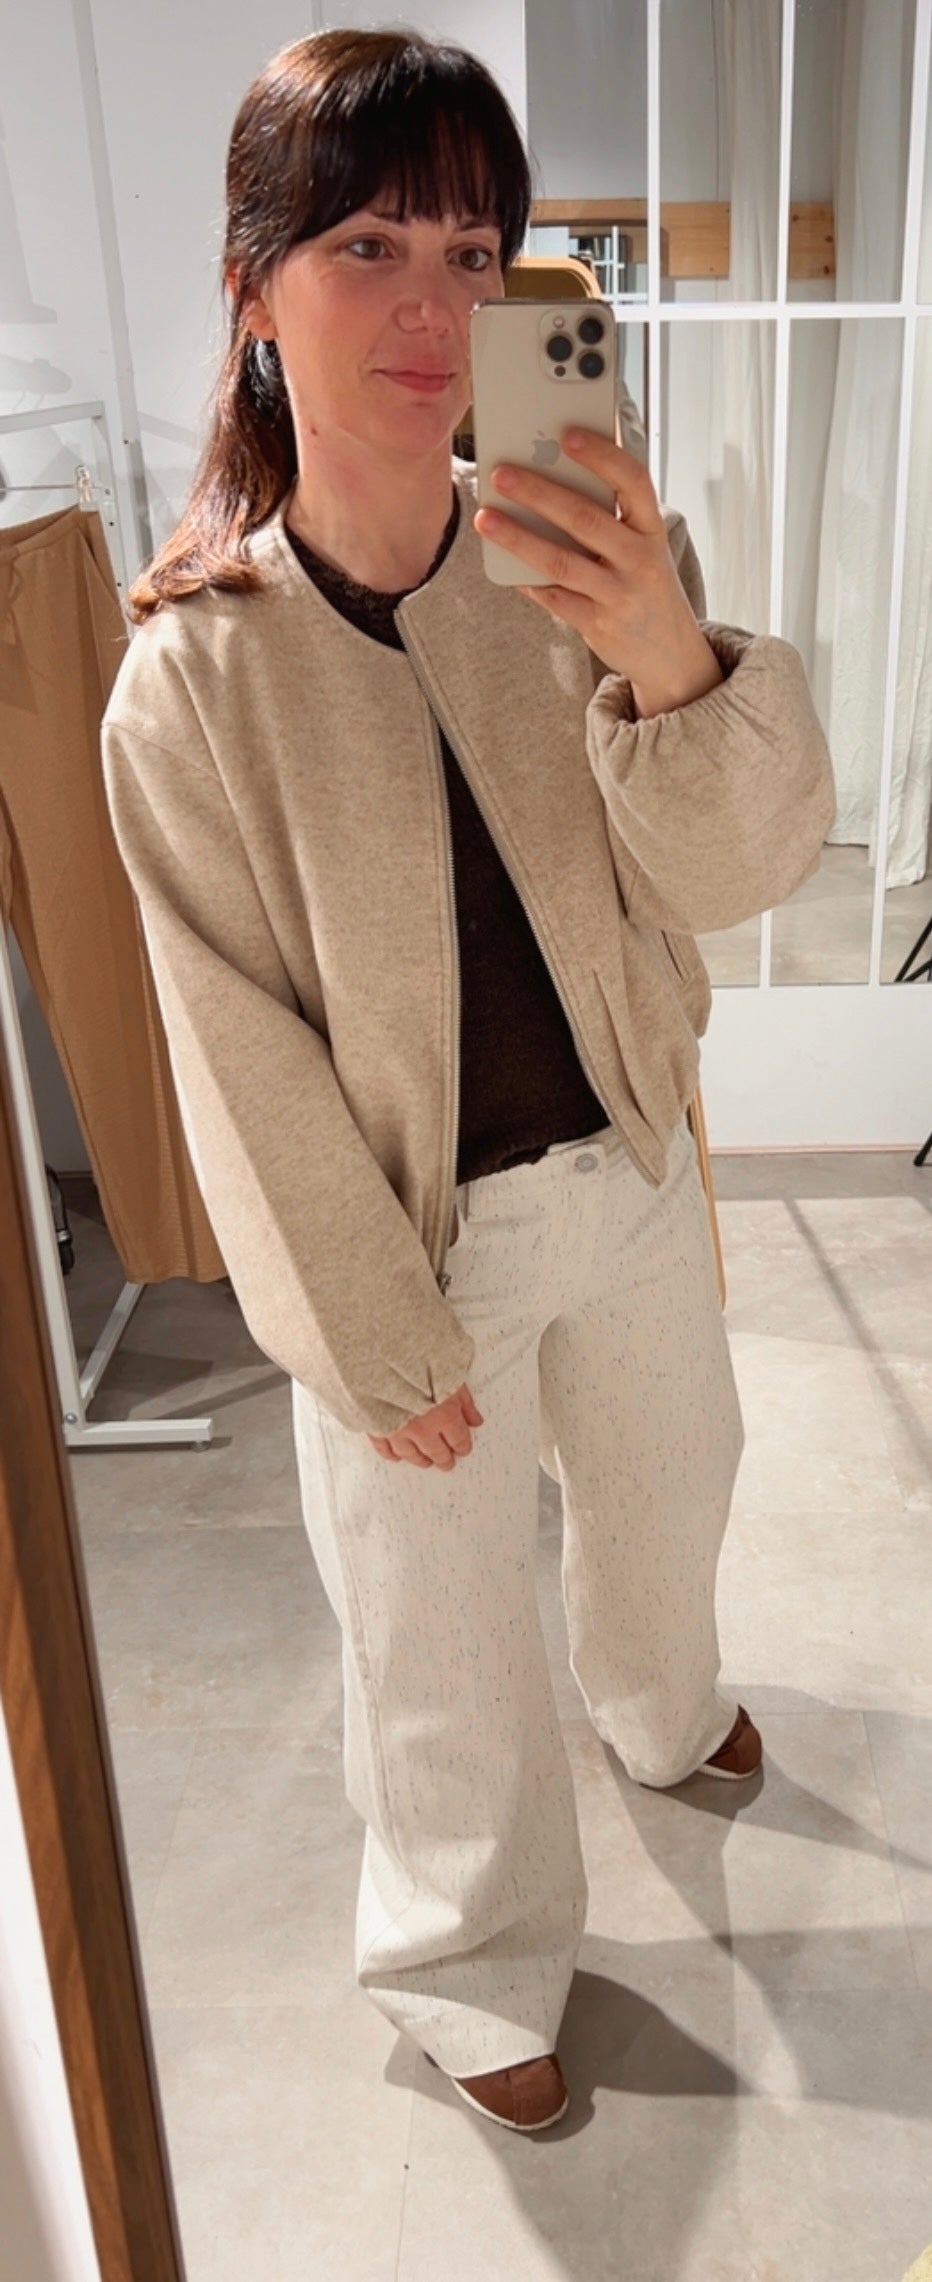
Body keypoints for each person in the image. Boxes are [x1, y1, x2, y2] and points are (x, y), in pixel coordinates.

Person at [101, 28, 835, 2135]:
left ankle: (660, 1704)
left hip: (627, 1160)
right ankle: (461, 1952)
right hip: (411, 1240)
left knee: (674, 1490)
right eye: (364, 245)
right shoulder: (193, 676)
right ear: (253, 289)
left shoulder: (579, 552)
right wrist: (362, 1327)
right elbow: (231, 1045)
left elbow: (739, 870)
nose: (432, 305)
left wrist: (669, 653)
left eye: (471, 248)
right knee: (432, 1640)